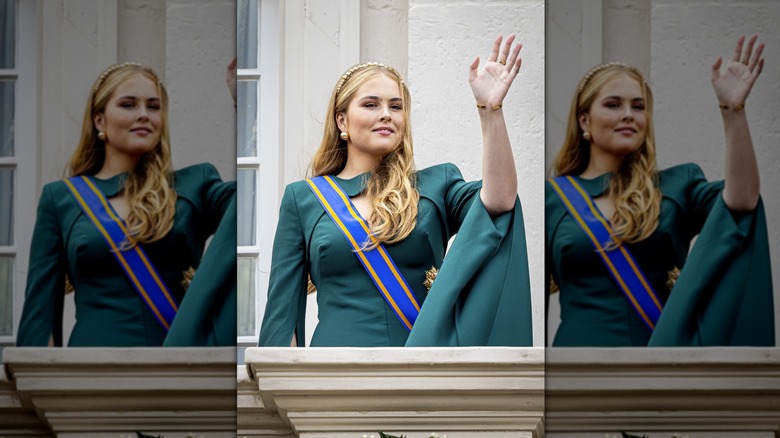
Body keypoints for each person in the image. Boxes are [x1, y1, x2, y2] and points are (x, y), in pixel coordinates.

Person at [259, 35, 533, 347]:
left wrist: (490, 109)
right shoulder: (302, 199)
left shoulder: (436, 184)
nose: (386, 113)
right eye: (371, 104)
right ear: (341, 120)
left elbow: (500, 200)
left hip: (421, 369)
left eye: (396, 106)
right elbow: (282, 316)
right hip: (334, 374)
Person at [546, 35, 774, 347]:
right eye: (614, 104)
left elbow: (742, 201)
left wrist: (732, 111)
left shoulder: (679, 184)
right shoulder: (550, 198)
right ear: (584, 119)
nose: (629, 114)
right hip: (576, 370)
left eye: (638, 107)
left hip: (662, 367)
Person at [16, 62, 237, 347]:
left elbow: (250, 204)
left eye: (153, 107)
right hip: (90, 369)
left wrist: (242, 100)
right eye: (129, 105)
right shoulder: (60, 199)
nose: (144, 115)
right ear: (99, 121)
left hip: (179, 368)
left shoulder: (195, 184)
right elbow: (40, 313)